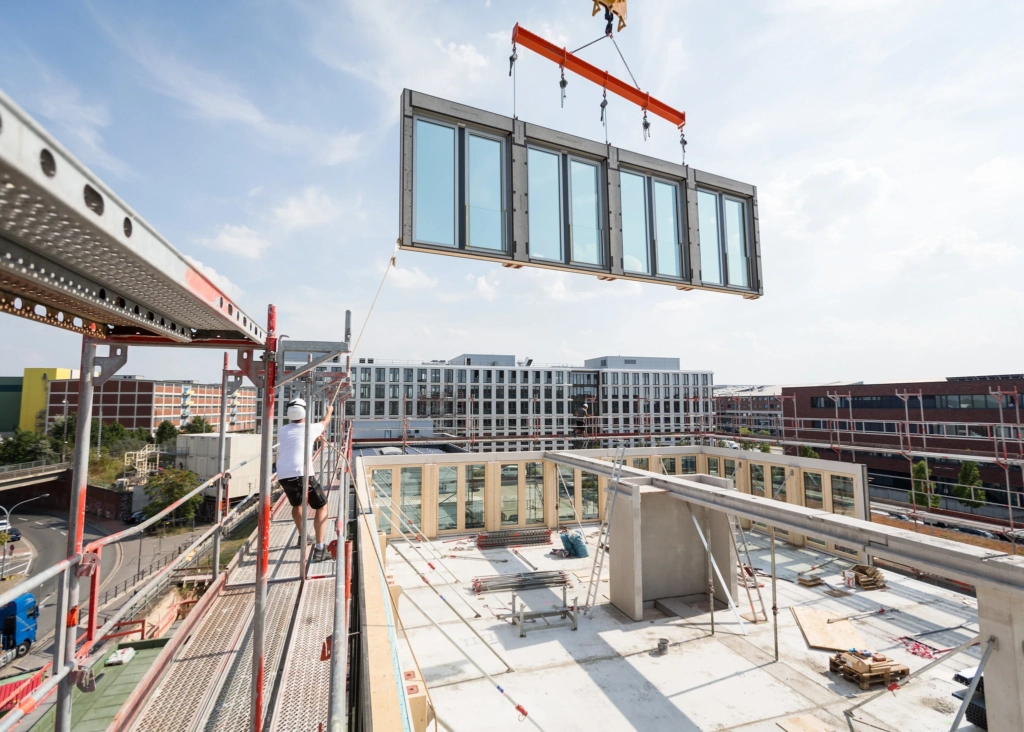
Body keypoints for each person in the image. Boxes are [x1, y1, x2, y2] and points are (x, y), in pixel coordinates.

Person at [276, 395, 335, 562]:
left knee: (297, 504)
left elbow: (296, 440)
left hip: (283, 474)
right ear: (304, 413)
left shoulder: (283, 430)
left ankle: (303, 536)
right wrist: (329, 411)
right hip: (301, 472)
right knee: (322, 505)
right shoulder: (311, 428)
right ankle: (319, 548)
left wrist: (312, 438)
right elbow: (325, 423)